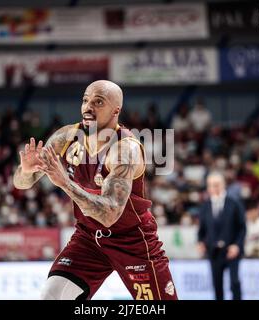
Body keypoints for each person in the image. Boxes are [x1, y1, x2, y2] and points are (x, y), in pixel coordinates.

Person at [13, 80, 177, 300]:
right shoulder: (67, 136)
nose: (88, 107)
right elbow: (21, 183)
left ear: (115, 110)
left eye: (98, 101)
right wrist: (25, 171)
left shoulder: (124, 149)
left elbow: (110, 215)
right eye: (85, 100)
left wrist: (65, 183)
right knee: (51, 296)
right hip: (89, 238)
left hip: (132, 241)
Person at [197, 172, 246, 300]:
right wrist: (200, 242)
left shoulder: (234, 204)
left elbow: (242, 228)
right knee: (217, 287)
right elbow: (201, 230)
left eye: (216, 185)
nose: (213, 188)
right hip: (214, 252)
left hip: (232, 251)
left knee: (234, 283)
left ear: (223, 185)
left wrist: (236, 245)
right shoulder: (205, 207)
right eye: (210, 185)